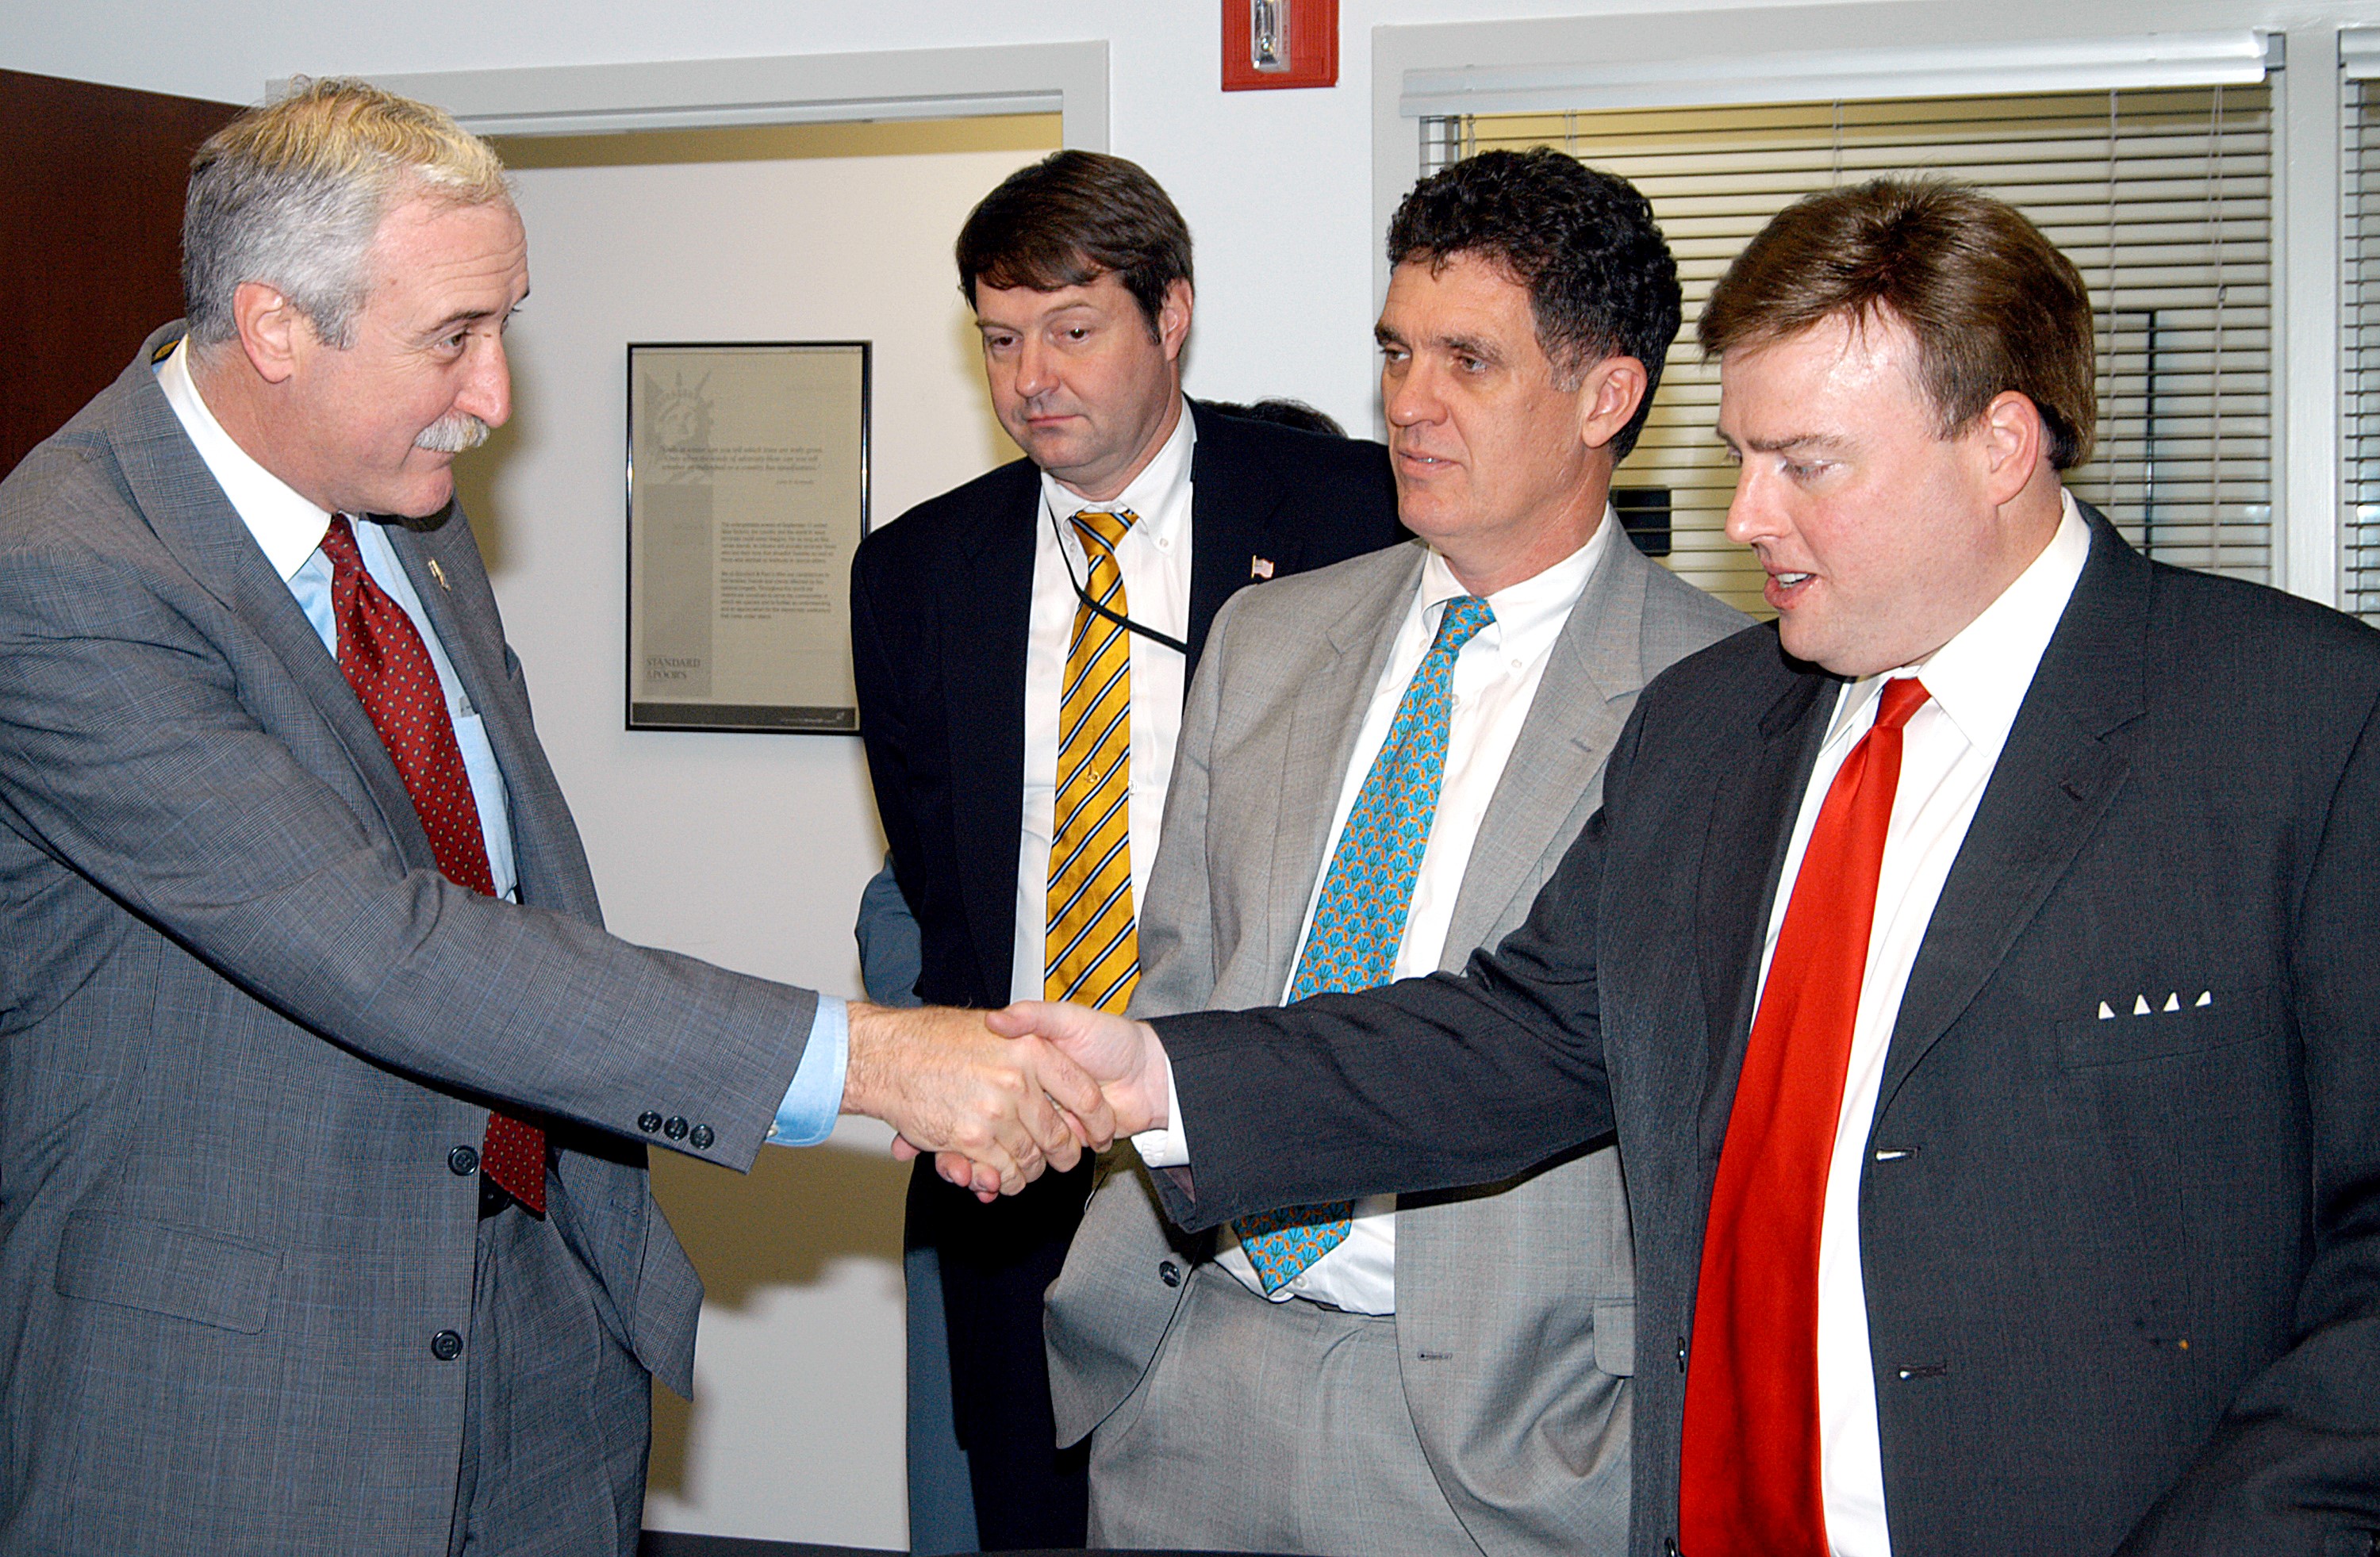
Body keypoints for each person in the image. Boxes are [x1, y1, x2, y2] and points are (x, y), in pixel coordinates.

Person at [992, 179, 2380, 1555]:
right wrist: (1159, 1078)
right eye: (1742, 456)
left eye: (1806, 464)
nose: (1747, 517)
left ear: (2002, 443)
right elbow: (1521, 1035)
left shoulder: (2296, 728)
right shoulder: (1720, 726)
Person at [0, 79, 1100, 1557]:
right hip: (249, 1382)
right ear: (272, 326)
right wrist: (872, 1059)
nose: (495, 398)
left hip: (539, 1330)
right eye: (452, 336)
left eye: (504, 323)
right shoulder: (66, 575)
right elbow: (383, 948)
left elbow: (518, 884)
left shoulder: (408, 513)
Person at [1044, 149, 1741, 1556]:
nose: (1406, 404)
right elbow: (1179, 970)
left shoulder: (1726, 701)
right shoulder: (1271, 638)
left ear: (1607, 396)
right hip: (1195, 1370)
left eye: (1468, 362)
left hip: (1499, 1431)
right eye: (1397, 351)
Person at [848, 147, 1404, 1548]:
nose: (1033, 373)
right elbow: (940, 887)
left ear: (1173, 316)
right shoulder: (916, 572)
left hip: (1265, 1154)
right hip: (1020, 1161)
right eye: (1001, 337)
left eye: (1074, 328)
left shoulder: (1350, 513)